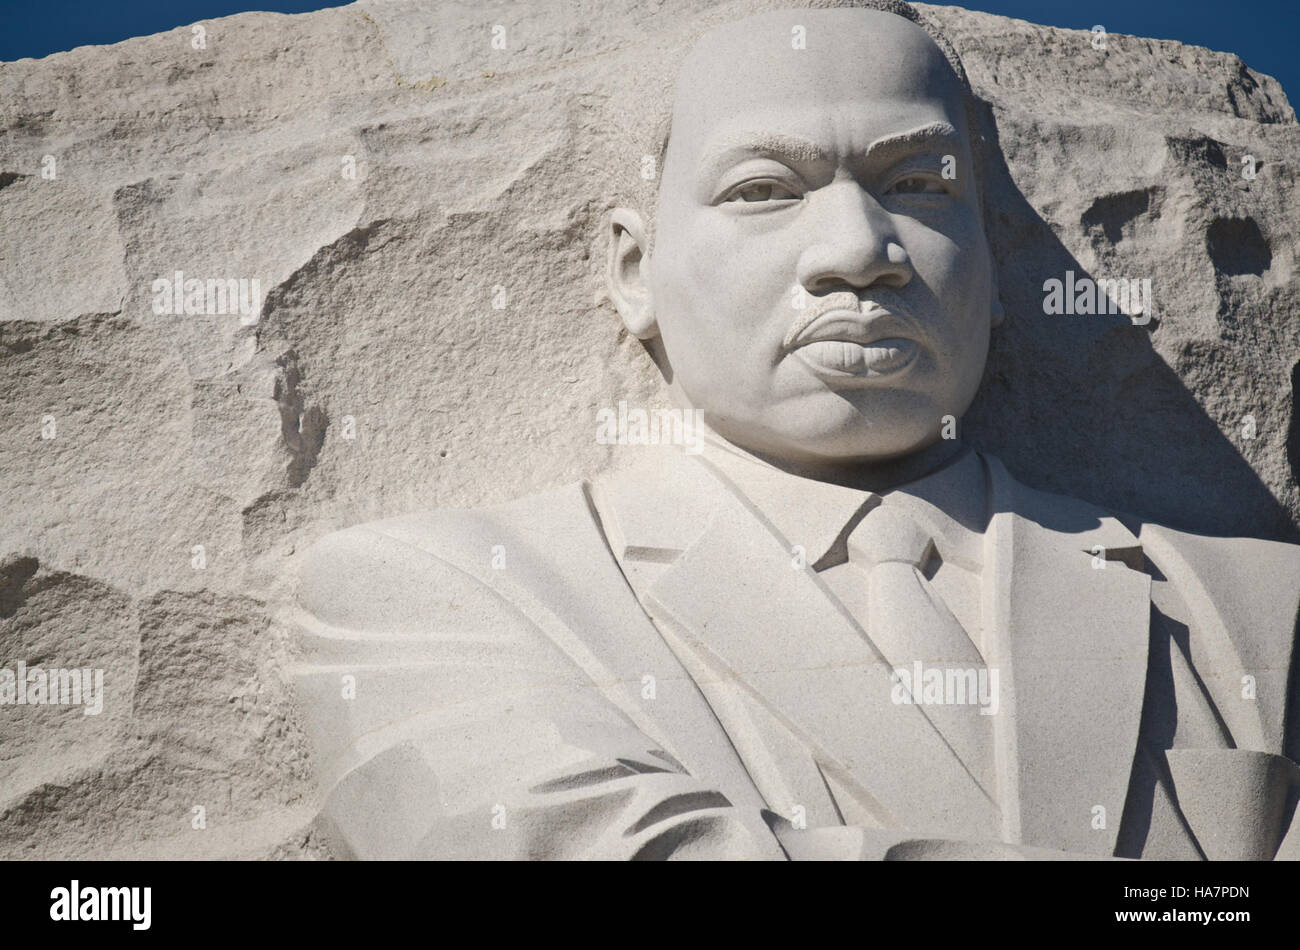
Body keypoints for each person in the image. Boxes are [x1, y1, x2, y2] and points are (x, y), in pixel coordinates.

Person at [288, 1, 1300, 860]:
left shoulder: (1254, 607)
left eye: (918, 186)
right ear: (634, 272)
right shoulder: (432, 597)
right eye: (763, 190)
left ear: (993, 260)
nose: (859, 249)